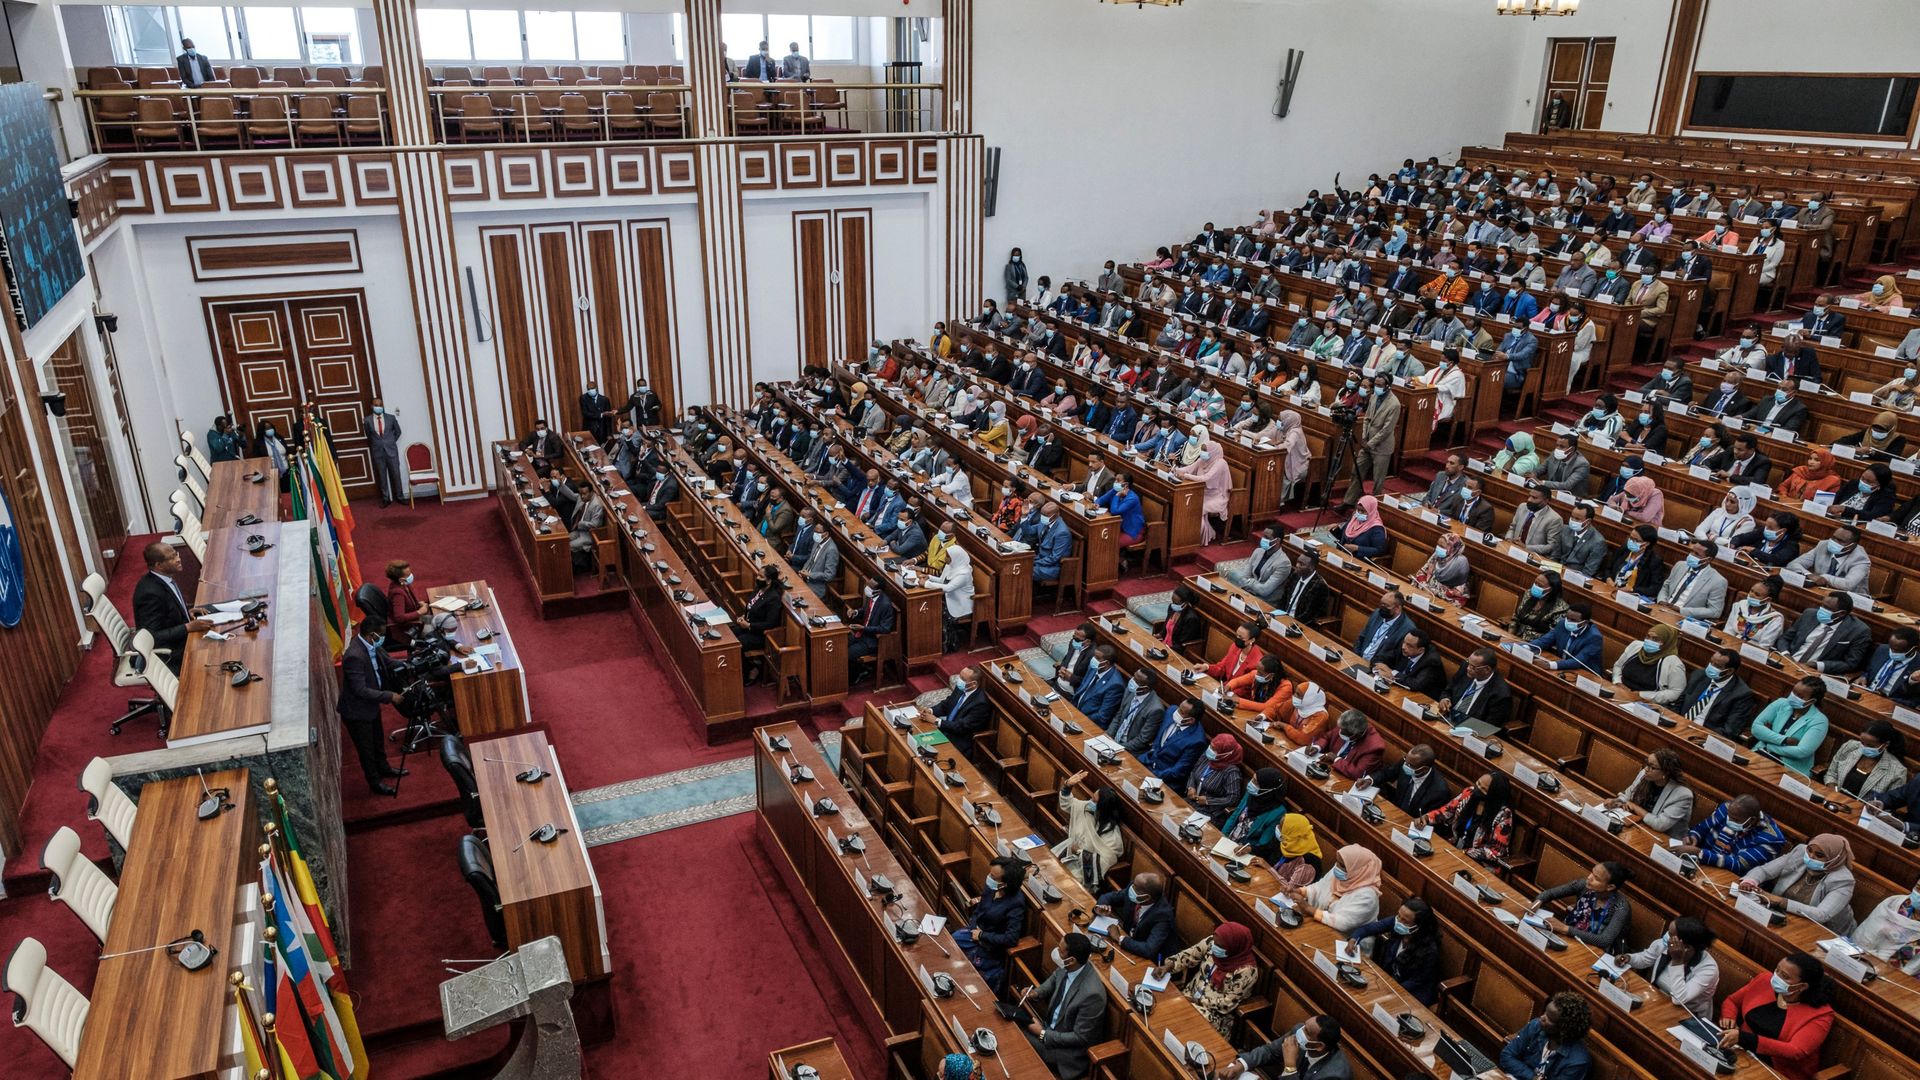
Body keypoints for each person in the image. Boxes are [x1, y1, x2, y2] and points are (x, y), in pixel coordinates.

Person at [1716, 953, 1835, 1080]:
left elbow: (1796, 1051)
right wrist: (1729, 1016)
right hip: (1741, 1052)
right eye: (1777, 970)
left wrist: (1745, 1038)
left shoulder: (1821, 1015)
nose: (1776, 977)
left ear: (1802, 986)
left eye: (1785, 976)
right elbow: (1732, 1001)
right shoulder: (1764, 980)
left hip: (1777, 1070)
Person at [339, 616, 408, 795]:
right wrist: (389, 696)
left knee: (378, 740)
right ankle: (375, 782)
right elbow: (360, 690)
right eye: (382, 635)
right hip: (357, 712)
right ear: (372, 635)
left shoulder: (371, 645)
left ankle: (384, 768)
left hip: (371, 706)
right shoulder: (354, 656)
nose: (383, 638)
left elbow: (385, 661)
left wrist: (407, 664)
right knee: (366, 750)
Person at [1153, 922, 1259, 1038]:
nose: (1214, 948)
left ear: (1233, 947)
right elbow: (1189, 955)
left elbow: (1227, 1003)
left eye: (1220, 946)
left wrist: (1196, 1001)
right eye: (1215, 943)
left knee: (1176, 1024)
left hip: (1213, 1014)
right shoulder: (1212, 943)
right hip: (1188, 996)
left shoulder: (1247, 972)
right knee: (1160, 1013)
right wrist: (1168, 966)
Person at [1739, 834, 1857, 933]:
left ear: (1834, 859)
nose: (1811, 856)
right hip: (1786, 917)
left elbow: (1822, 914)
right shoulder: (1800, 852)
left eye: (1819, 855)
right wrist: (1750, 881)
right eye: (1809, 850)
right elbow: (1764, 871)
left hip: (1824, 932)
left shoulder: (1843, 880)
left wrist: (1781, 901)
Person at [132, 541, 213, 674]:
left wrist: (186, 612)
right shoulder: (150, 593)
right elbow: (152, 636)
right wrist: (187, 627)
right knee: (216, 651)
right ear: (159, 565)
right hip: (170, 651)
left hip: (179, 636)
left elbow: (165, 611)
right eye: (172, 558)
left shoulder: (163, 578)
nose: (178, 559)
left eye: (176, 554)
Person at [955, 857, 1028, 995]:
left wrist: (982, 936)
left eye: (993, 877)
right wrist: (973, 926)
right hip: (974, 934)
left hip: (991, 947)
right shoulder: (991, 888)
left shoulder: (1016, 903)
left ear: (1005, 884)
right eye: (990, 874)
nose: (989, 878)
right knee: (951, 943)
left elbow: (1011, 939)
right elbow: (978, 911)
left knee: (973, 980)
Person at [1624, 916, 1720, 1017]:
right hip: (1657, 999)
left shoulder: (1709, 969)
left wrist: (1677, 962)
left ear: (1686, 947)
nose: (1666, 937)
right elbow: (1645, 958)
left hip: (1686, 1016)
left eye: (1671, 935)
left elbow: (1679, 999)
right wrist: (1629, 958)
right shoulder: (1665, 945)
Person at [1530, 861, 1634, 950]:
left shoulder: (1621, 906)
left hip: (1592, 950)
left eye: (1596, 878)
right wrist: (1539, 901)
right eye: (1592, 872)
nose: (1589, 878)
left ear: (1610, 887)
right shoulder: (1583, 885)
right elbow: (1550, 893)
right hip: (1564, 938)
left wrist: (1565, 929)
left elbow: (1604, 940)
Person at [1278, 844, 1381, 932]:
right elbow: (1318, 888)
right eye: (1337, 862)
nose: (1336, 867)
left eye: (1342, 865)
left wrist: (1308, 908)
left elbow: (1342, 923)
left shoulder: (1368, 897)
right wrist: (1298, 891)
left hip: (1344, 942)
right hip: (1318, 926)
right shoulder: (1341, 873)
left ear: (1357, 870)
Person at [1680, 794, 1789, 874]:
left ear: (1751, 820)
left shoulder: (1771, 839)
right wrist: (1693, 837)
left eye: (1735, 820)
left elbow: (1739, 865)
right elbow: (1701, 828)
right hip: (1700, 864)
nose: (1729, 820)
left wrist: (1700, 853)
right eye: (1729, 816)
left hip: (1729, 878)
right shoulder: (1728, 809)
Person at [1053, 774, 1124, 890]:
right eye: (1092, 797)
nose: (1090, 801)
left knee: (1061, 887)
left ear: (1103, 808)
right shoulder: (1088, 809)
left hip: (1083, 871)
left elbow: (1104, 861)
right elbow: (1068, 804)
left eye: (1094, 801)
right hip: (1069, 855)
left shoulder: (1112, 835)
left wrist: (1080, 852)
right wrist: (1067, 787)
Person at [1427, 770, 1514, 865]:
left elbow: (1496, 851)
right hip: (1454, 848)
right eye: (1478, 783)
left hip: (1479, 862)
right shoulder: (1469, 793)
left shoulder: (1504, 815)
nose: (1478, 789)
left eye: (1483, 789)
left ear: (1493, 795)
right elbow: (1446, 811)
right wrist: (1426, 818)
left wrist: (1466, 853)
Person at [1500, 993, 1593, 1080]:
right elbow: (1507, 1056)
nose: (1542, 1017)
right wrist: (1533, 1077)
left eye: (1549, 1018)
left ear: (1563, 1029)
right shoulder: (1535, 1026)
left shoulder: (1577, 1062)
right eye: (1545, 1012)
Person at [1748, 678, 1830, 775]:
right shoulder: (1782, 703)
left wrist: (1770, 746)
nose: (1794, 697)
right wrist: (1784, 740)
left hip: (1790, 766)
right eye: (1794, 692)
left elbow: (1801, 751)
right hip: (1761, 752)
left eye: (1800, 696)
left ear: (1811, 701)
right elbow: (1756, 727)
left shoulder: (1819, 721)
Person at [1230, 1015, 1351, 1080]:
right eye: (1304, 1025)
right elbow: (1270, 1051)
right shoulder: (1299, 1032)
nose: (1300, 1031)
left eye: (1307, 1032)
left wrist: (1290, 1065)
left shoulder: (1335, 1075)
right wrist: (1242, 1065)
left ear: (1319, 1046)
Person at [1607, 748, 1694, 838]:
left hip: (1663, 839)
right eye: (1647, 764)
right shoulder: (1644, 775)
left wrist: (1634, 807)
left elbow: (1660, 825)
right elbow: (1627, 795)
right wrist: (1617, 801)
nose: (1646, 769)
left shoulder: (1683, 795)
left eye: (1652, 767)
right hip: (1638, 827)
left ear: (1666, 772)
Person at [1778, 592, 1872, 674]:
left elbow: (1850, 663)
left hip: (1814, 672)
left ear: (1842, 613)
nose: (1821, 610)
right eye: (1822, 605)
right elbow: (1785, 638)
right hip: (1787, 661)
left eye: (1827, 608)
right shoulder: (1809, 614)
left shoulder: (1859, 631)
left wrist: (1816, 665)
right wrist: (1786, 655)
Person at [1094, 873, 1174, 961]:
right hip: (1128, 945)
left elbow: (1148, 950)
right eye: (1133, 885)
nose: (1131, 888)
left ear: (1146, 897)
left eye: (1135, 888)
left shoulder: (1163, 915)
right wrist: (1101, 907)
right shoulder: (1134, 890)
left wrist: (1119, 938)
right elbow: (1109, 897)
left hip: (1149, 961)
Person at [1219, 766, 1290, 862]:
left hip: (1244, 852)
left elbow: (1263, 843)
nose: (1250, 784)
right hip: (1229, 840)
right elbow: (1234, 816)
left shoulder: (1278, 813)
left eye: (1255, 782)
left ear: (1267, 788)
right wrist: (1222, 836)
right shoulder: (1251, 794)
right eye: (1252, 779)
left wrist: (1247, 848)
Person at [1435, 647, 1514, 733]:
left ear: (1487, 669)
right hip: (1446, 718)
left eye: (1473, 667)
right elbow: (1448, 690)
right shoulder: (1466, 668)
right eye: (1468, 663)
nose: (1468, 668)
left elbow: (1488, 727)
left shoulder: (1501, 694)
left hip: (1469, 731)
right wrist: (1445, 699)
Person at [1347, 378, 1400, 505]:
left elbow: (1387, 429)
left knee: (1378, 480)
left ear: (1387, 386)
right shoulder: (1374, 396)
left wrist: (1370, 443)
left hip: (1382, 446)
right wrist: (1364, 437)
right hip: (1367, 443)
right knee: (1357, 470)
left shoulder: (1394, 404)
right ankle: (1349, 501)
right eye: (1375, 384)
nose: (1376, 387)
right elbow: (1367, 419)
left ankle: (1374, 507)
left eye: (1380, 385)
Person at [1852, 875, 1920, 971]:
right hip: (1862, 957)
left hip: (1900, 975)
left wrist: (1881, 968)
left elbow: (1910, 965)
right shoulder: (1894, 903)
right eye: (1918, 888)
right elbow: (1866, 936)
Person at [1824, 721, 1909, 798]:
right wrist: (1834, 793)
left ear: (1885, 744)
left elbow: (1889, 802)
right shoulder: (1850, 746)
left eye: (1870, 746)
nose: (1864, 747)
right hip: (1833, 797)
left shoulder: (1898, 772)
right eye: (1862, 742)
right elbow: (1832, 773)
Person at [1611, 624, 1685, 704]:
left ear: (1667, 642)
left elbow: (1675, 692)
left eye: (1655, 639)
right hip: (1620, 690)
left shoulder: (1674, 663)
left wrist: (1641, 695)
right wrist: (1618, 682)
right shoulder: (1636, 646)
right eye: (1648, 636)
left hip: (1646, 702)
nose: (1649, 641)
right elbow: (1618, 666)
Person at [1371, 744, 1452, 817]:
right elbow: (1386, 774)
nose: (1405, 765)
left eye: (1410, 765)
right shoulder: (1408, 762)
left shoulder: (1440, 791)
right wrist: (1370, 779)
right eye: (1406, 760)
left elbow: (1431, 819)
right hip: (1393, 812)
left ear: (1424, 769)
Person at [1525, 600, 1603, 674]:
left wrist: (1550, 665)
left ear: (1584, 623)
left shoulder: (1594, 638)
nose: (1568, 622)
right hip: (1563, 667)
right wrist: (1525, 647)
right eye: (1567, 618)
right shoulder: (1562, 624)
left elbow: (1577, 662)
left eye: (1573, 620)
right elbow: (1544, 641)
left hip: (1585, 674)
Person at [1185, 733, 1246, 824]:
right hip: (1192, 802)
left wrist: (1208, 801)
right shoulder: (1207, 757)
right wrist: (1191, 786)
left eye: (1214, 749)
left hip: (1210, 812)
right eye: (1211, 745)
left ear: (1225, 753)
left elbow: (1233, 798)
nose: (1210, 750)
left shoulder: (1232, 772)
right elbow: (1194, 772)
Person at [1142, 700, 1208, 781]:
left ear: (1190, 720)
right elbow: (1158, 739)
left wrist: (1151, 775)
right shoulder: (1172, 710)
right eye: (1179, 707)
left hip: (1164, 777)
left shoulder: (1197, 741)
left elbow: (1178, 771)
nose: (1176, 711)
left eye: (1181, 711)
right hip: (1147, 761)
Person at [931, 666, 988, 757]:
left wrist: (936, 721)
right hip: (946, 729)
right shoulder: (961, 688)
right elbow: (946, 704)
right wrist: (931, 711)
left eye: (962, 679)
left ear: (973, 684)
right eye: (959, 676)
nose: (958, 680)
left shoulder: (980, 704)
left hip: (959, 740)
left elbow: (961, 727)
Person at [845, 579, 895, 683]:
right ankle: (854, 670)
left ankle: (857, 675)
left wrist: (864, 628)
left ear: (879, 591)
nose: (867, 588)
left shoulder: (885, 605)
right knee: (841, 644)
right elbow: (866, 610)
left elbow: (885, 629)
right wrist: (855, 612)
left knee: (849, 653)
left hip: (872, 640)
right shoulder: (872, 597)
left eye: (871, 587)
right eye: (868, 585)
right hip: (862, 633)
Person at [930, 538, 974, 652]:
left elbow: (948, 588)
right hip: (949, 599)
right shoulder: (951, 565)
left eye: (948, 557)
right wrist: (929, 578)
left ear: (955, 557)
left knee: (938, 612)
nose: (945, 558)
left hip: (960, 605)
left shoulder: (964, 573)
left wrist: (926, 584)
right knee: (931, 607)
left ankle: (947, 645)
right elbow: (942, 580)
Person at [1353, 588, 1413, 666]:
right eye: (1381, 604)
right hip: (1358, 659)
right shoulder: (1377, 613)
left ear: (1397, 609)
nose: (1382, 608)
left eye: (1386, 606)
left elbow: (1397, 659)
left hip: (1377, 669)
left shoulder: (1406, 629)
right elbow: (1361, 638)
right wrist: (1356, 657)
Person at [1508, 571, 1569, 640]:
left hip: (1535, 643)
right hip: (1514, 637)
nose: (1535, 586)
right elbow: (1516, 618)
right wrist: (1509, 636)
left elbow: (1551, 635)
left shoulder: (1561, 608)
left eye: (1540, 585)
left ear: (1551, 589)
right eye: (1535, 583)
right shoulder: (1529, 594)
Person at [1411, 535, 1471, 605]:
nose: (1438, 548)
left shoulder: (1460, 563)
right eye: (1438, 545)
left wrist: (1433, 592)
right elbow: (1422, 572)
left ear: (1453, 548)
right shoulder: (1437, 555)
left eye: (1442, 547)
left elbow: (1457, 593)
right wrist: (1424, 587)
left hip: (1447, 600)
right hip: (1427, 592)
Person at [1507, 488, 1566, 557]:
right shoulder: (1523, 507)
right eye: (1529, 496)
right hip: (1511, 548)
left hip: (1533, 555)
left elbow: (1551, 546)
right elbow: (1512, 527)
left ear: (1546, 501)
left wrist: (1525, 547)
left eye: (1534, 498)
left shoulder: (1555, 519)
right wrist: (1509, 539)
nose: (1529, 499)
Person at [382, 558, 425, 649]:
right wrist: (420, 612)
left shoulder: (403, 584)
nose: (411, 575)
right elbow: (399, 617)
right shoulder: (397, 593)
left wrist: (417, 604)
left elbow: (409, 599)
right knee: (434, 630)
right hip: (405, 629)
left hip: (413, 620)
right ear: (401, 579)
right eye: (408, 574)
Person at [1154, 585, 1206, 654]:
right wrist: (1153, 637)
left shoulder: (1191, 619)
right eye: (1173, 601)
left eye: (1176, 603)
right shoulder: (1172, 608)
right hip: (1164, 646)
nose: (1173, 605)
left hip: (1175, 652)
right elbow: (1164, 632)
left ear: (1186, 603)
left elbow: (1181, 645)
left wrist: (1164, 650)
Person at [1836, 411, 1908, 461]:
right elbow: (1840, 442)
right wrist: (1854, 448)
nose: (1877, 431)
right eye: (1875, 428)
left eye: (1882, 430)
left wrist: (1871, 452)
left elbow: (1891, 458)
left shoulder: (1899, 439)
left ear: (1892, 429)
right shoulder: (1867, 432)